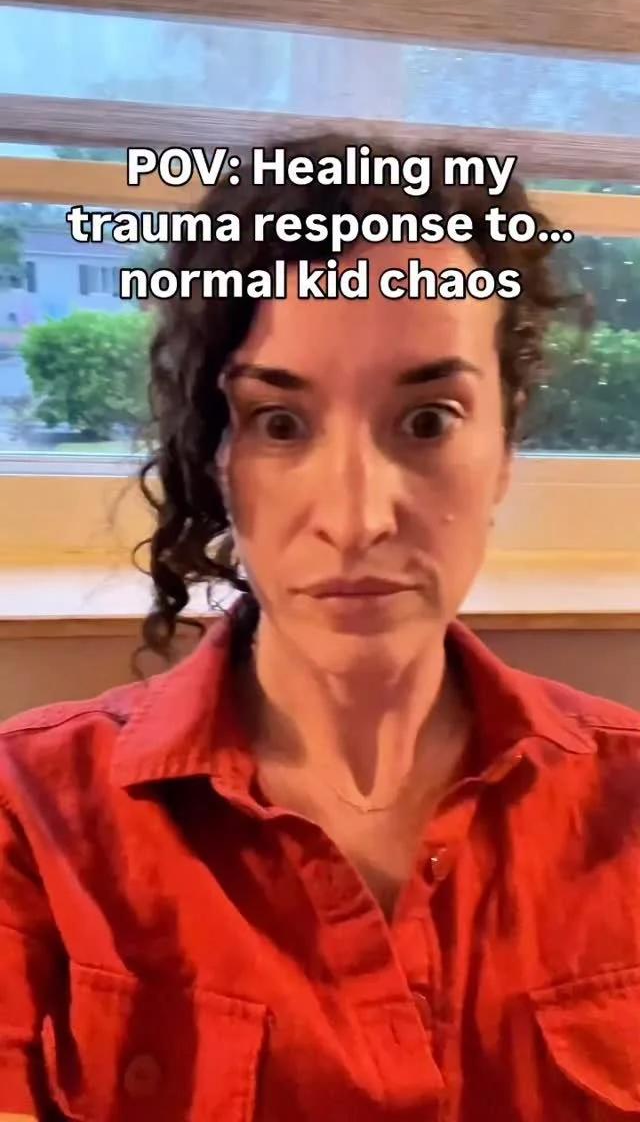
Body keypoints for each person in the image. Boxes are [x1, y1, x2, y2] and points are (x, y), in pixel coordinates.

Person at [1, 134, 638, 1122]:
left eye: (427, 420)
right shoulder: (30, 820)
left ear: (506, 443)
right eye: (280, 423)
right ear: (216, 457)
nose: (356, 517)